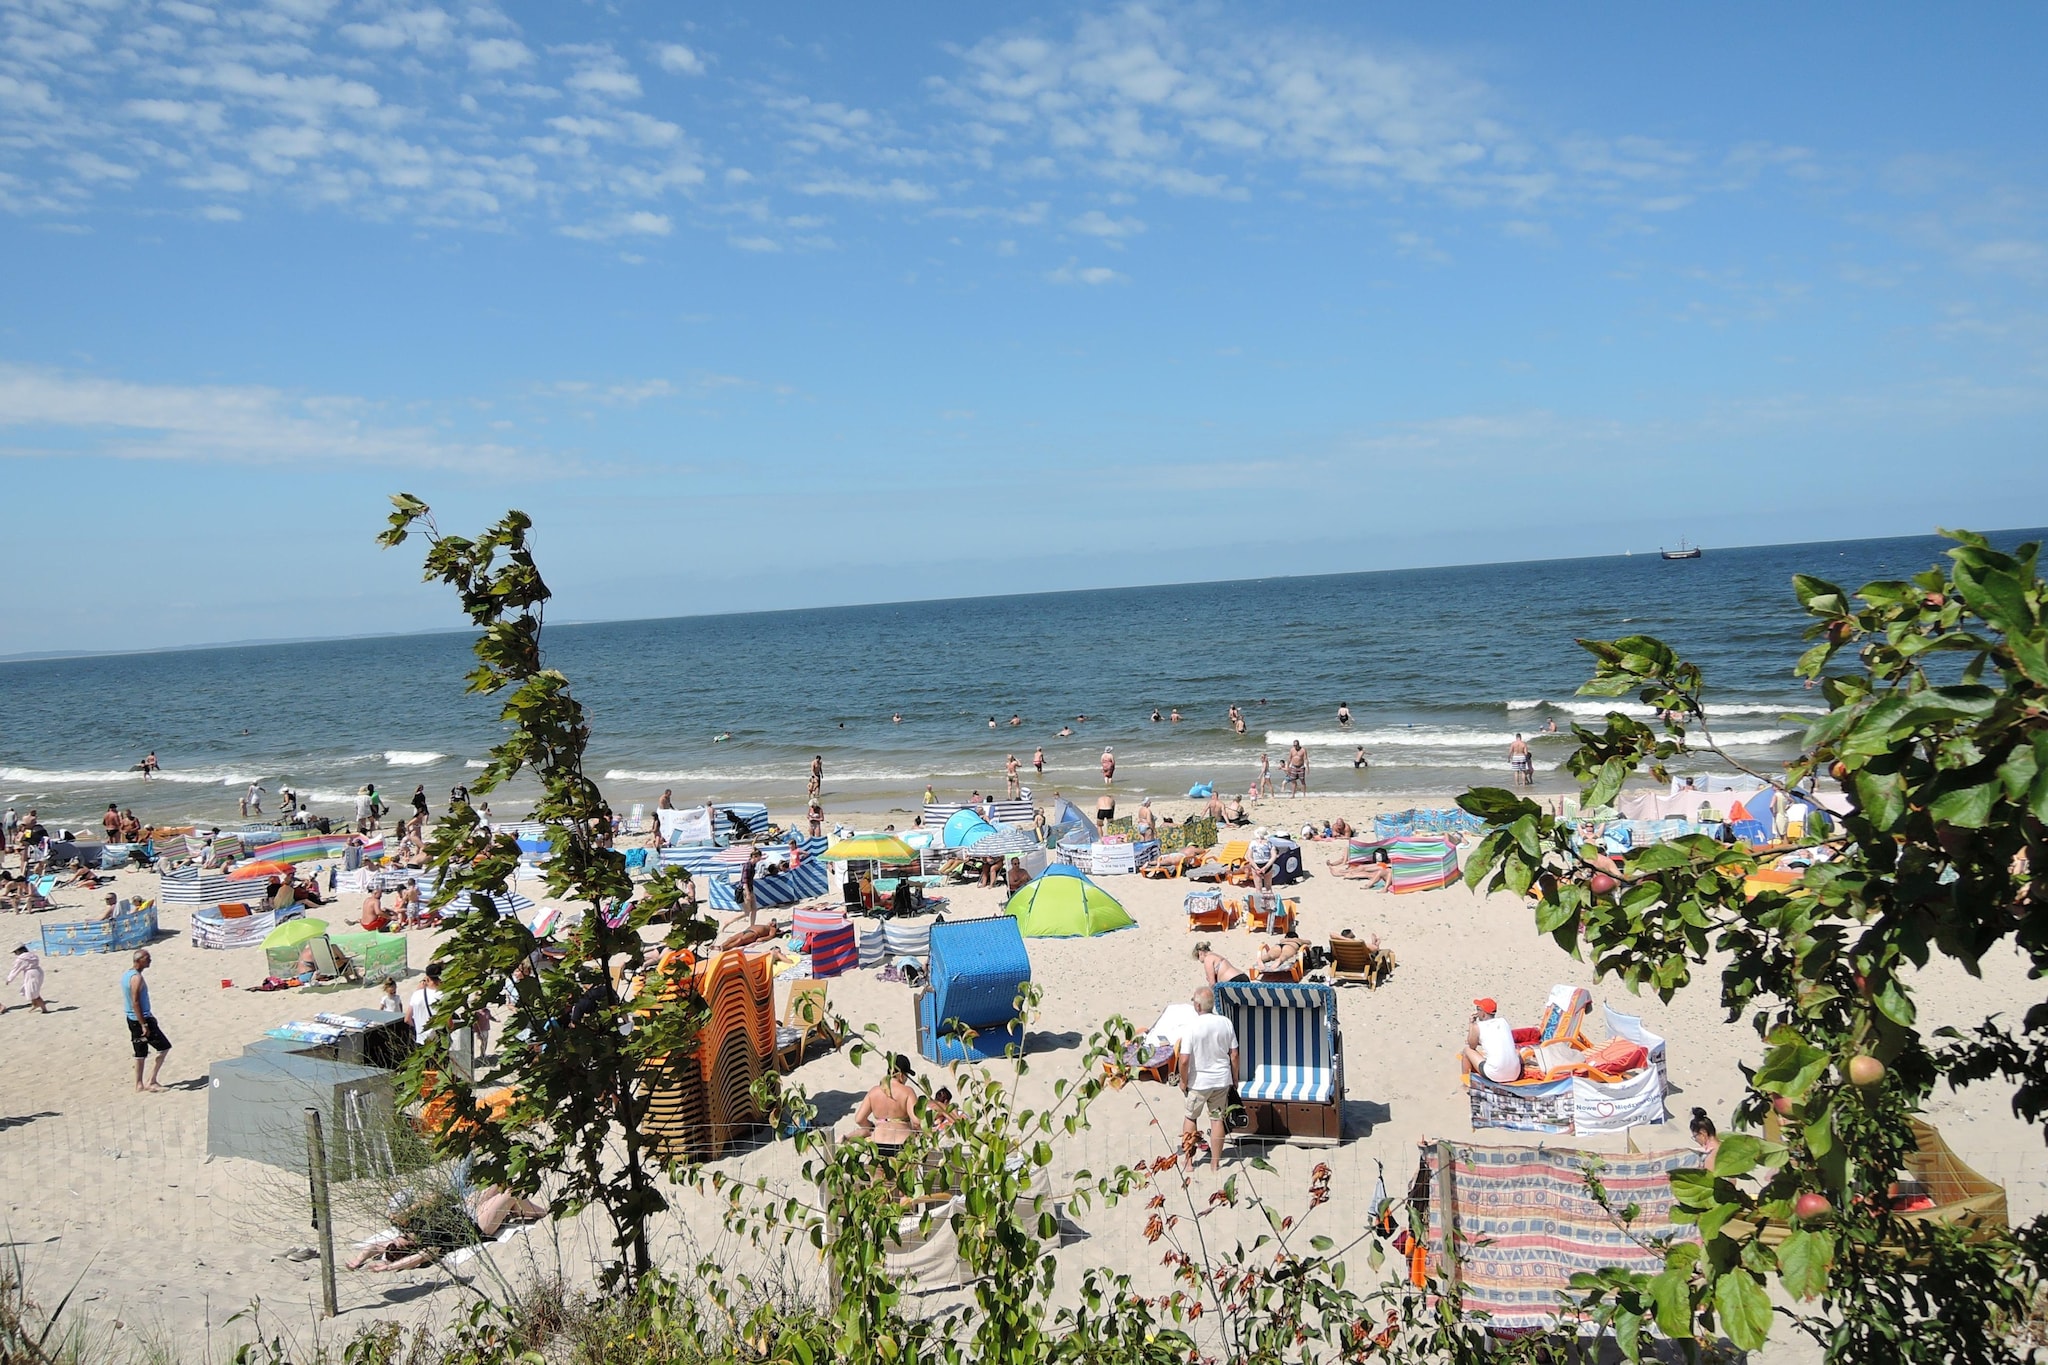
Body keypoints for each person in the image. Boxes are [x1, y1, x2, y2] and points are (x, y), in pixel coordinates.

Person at [1180, 985, 1238, 1173]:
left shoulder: (1191, 1026)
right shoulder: (1225, 1023)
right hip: (1221, 1079)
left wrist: (1183, 1080)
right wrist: (1235, 1077)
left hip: (1199, 1082)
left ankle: (1189, 1162)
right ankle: (1215, 1162)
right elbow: (1234, 1054)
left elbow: (1184, 1059)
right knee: (1217, 1119)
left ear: (1197, 1006)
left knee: (1191, 1117)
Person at [123, 949, 171, 1091]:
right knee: (164, 1048)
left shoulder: (126, 975)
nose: (150, 960)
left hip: (131, 1019)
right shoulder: (136, 978)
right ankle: (152, 1080)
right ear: (139, 960)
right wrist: (144, 1024)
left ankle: (139, 1084)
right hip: (141, 1019)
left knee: (140, 1052)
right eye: (147, 958)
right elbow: (135, 1001)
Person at [853, 1053, 920, 1154]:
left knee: (879, 1170)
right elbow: (917, 1121)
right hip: (901, 1142)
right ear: (901, 1075)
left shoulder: (874, 1091)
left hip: (877, 1143)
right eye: (906, 1076)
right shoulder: (907, 1092)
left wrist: (872, 1126)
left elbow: (859, 1119)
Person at [1462, 998, 1522, 1083]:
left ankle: (1466, 1083)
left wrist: (1471, 1023)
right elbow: (1495, 1039)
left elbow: (1472, 1046)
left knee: (1466, 1050)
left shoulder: (1478, 1026)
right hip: (1515, 1073)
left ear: (1483, 1013)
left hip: (1495, 1074)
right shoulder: (1503, 1022)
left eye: (1478, 1009)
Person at [407, 962, 445, 1045]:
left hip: (421, 1041)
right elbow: (449, 1023)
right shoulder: (443, 995)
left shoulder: (416, 994)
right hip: (437, 1041)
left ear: (427, 979)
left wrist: (418, 1028)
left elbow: (407, 1019)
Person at [8, 944, 46, 1013]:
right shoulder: (32, 955)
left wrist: (9, 979)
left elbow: (16, 969)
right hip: (39, 971)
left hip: (31, 974)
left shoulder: (21, 959)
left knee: (34, 992)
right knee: (30, 989)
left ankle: (44, 1009)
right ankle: (35, 1004)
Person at [1247, 827, 1276, 895]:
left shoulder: (1253, 843)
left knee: (1258, 889)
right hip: (1267, 864)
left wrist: (1256, 867)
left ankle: (1259, 904)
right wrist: (1266, 867)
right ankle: (1270, 904)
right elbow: (1274, 856)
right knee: (1268, 888)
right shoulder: (1269, 843)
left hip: (1256, 864)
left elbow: (1249, 856)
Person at [741, 847, 762, 928]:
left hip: (750, 889)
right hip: (746, 890)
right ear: (756, 857)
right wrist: (748, 893)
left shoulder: (753, 865)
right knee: (747, 912)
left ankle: (752, 926)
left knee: (754, 909)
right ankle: (728, 922)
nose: (760, 859)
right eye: (759, 857)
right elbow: (744, 881)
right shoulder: (747, 866)